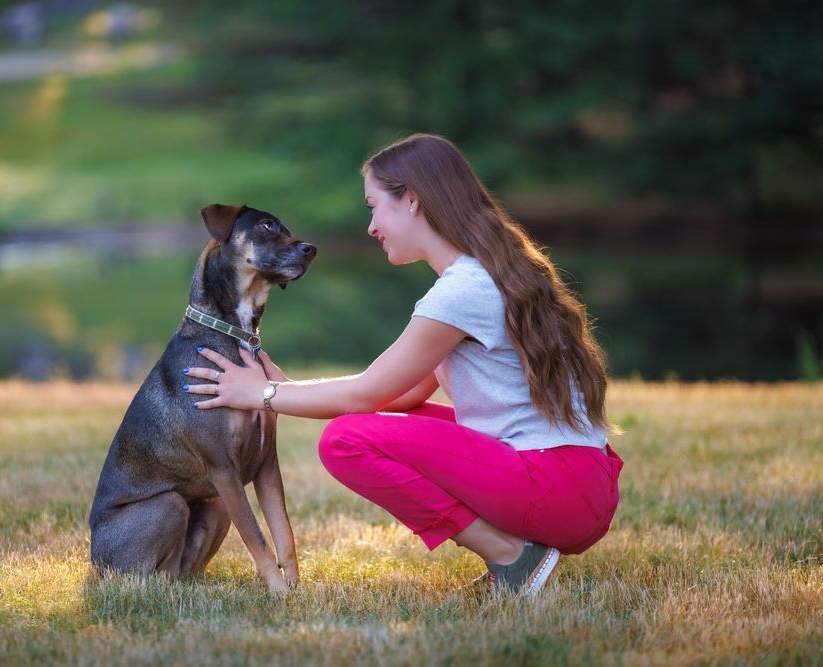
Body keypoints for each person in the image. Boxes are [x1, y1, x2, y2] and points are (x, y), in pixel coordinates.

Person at [183, 133, 623, 597]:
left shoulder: (462, 290)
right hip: (576, 483)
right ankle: (517, 552)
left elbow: (365, 395)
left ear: (411, 200)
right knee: (371, 424)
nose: (372, 226)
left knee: (345, 441)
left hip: (556, 486)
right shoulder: (482, 273)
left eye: (374, 206)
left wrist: (262, 395)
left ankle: (512, 556)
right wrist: (290, 390)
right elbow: (404, 395)